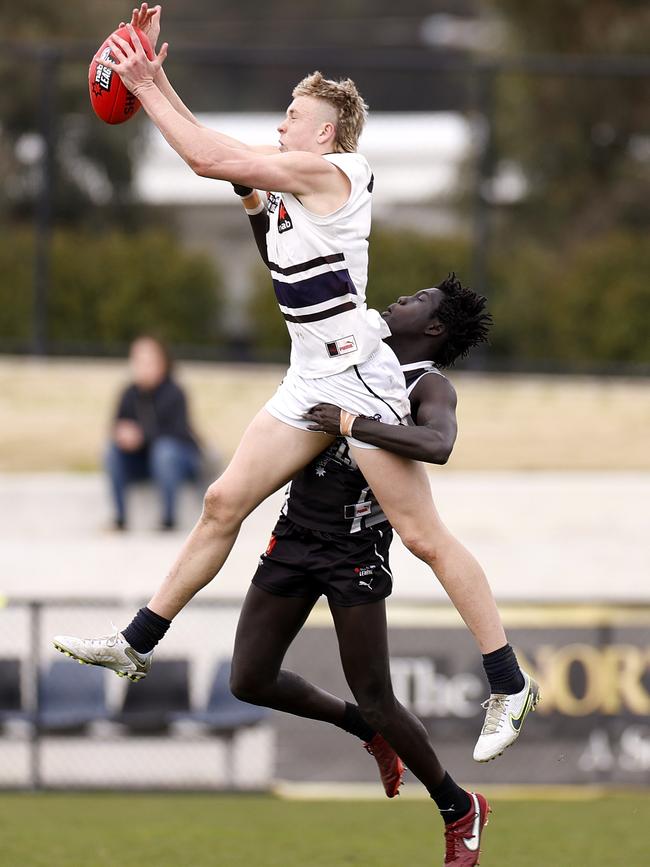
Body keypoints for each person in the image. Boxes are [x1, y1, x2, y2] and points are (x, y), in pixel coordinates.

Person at [54, 3, 520, 764]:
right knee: (220, 503)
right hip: (306, 377)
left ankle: (507, 679)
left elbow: (210, 158)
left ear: (324, 133)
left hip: (354, 377)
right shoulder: (284, 200)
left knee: (422, 535)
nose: (280, 127)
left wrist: (145, 88)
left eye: (291, 115)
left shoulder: (337, 173)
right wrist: (154, 83)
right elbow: (219, 163)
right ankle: (137, 641)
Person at [56, 276, 540, 865]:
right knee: (249, 679)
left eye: (417, 301)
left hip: (353, 553)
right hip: (295, 537)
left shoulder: (427, 383)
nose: (399, 299)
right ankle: (365, 729)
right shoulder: (352, 353)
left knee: (380, 694)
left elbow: (438, 443)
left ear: (434, 329)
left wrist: (350, 424)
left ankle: (458, 807)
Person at [106, 335, 202, 531]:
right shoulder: (129, 393)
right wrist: (122, 435)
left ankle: (168, 519)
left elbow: (178, 432)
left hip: (179, 460)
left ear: (162, 363)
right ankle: (120, 518)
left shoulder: (174, 392)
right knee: (111, 451)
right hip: (143, 461)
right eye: (138, 361)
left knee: (164, 451)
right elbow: (117, 425)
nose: (143, 367)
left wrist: (142, 437)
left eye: (148, 361)